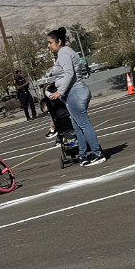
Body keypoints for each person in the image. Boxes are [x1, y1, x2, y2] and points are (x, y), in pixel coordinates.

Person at [46, 27, 105, 166]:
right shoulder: (66, 52)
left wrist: (59, 91)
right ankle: (83, 155)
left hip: (74, 92)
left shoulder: (64, 53)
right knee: (77, 126)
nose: (49, 46)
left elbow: (69, 73)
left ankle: (97, 153)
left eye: (50, 42)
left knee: (83, 124)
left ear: (59, 42)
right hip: (74, 92)